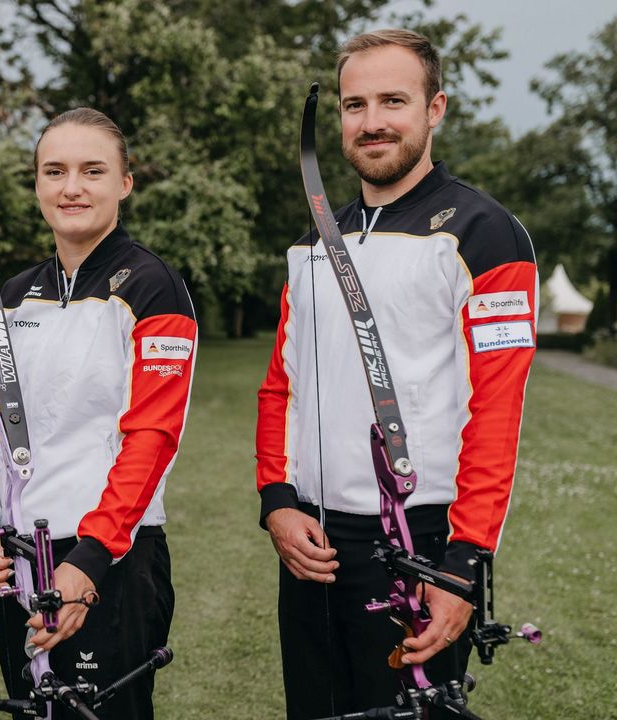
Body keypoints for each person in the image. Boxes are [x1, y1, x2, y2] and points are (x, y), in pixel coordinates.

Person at [255, 29, 538, 719]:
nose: (372, 121)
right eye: (355, 105)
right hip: (314, 545)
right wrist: (277, 501)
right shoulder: (311, 239)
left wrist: (463, 564)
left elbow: (497, 411)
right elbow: (280, 386)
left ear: (434, 108)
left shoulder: (485, 232)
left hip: (422, 540)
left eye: (393, 101)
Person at [0, 108, 198, 720]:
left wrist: (87, 563)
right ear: (37, 184)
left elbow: (152, 438)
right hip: (20, 557)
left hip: (111, 560)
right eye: (54, 171)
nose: (72, 188)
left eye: (93, 171)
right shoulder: (11, 296)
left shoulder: (153, 287)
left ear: (125, 182)